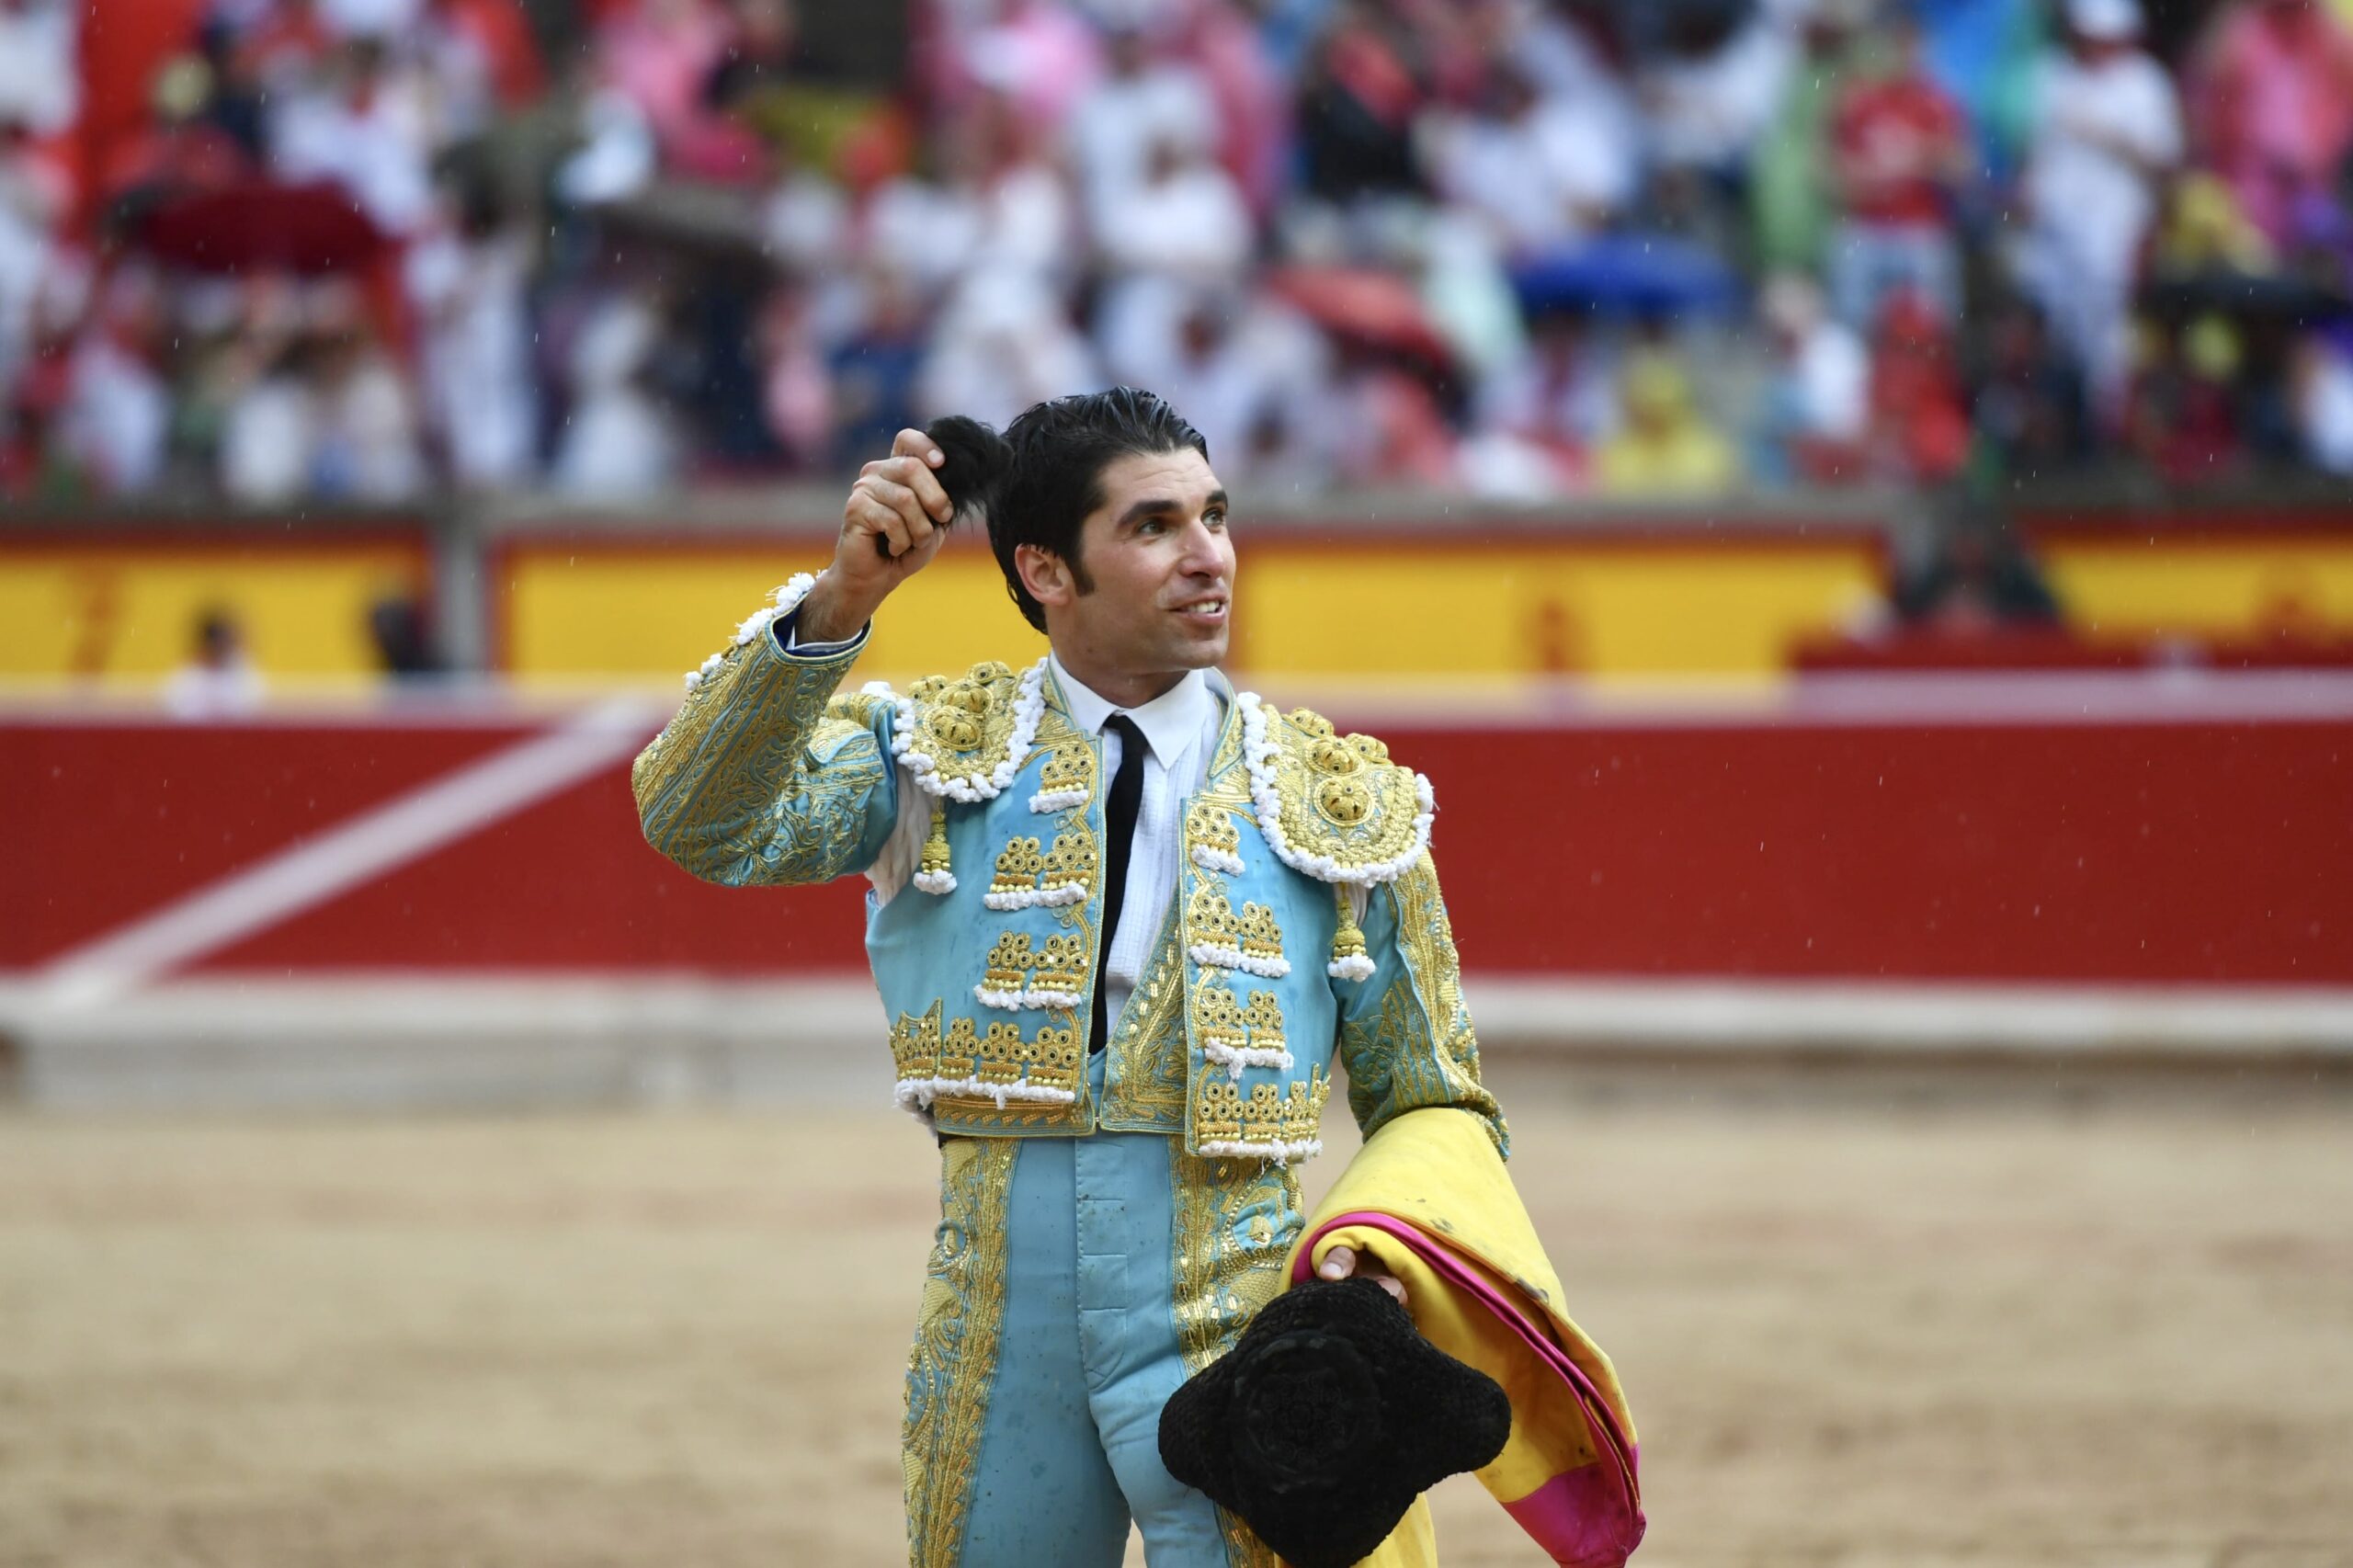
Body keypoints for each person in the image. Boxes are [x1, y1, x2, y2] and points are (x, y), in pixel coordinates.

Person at [630, 389, 1547, 1567]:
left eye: (1214, 515)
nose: (1208, 554)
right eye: (1153, 526)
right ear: (1046, 571)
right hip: (993, 1315)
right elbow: (699, 819)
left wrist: (1365, 1262)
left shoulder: (1328, 801)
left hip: (1240, 1314)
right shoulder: (933, 762)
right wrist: (843, 599)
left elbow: (1435, 1099)